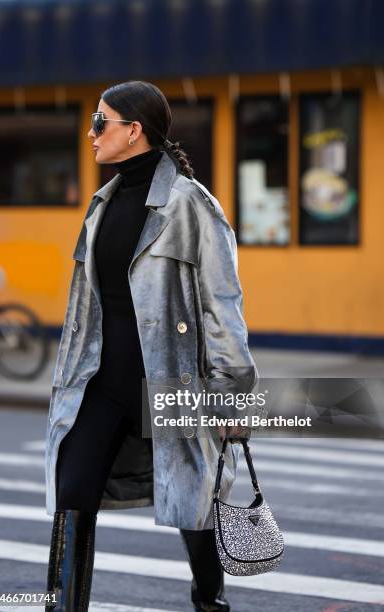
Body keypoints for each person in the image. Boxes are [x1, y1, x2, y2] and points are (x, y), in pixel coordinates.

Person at [44, 80, 258, 611]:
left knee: (194, 510)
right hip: (101, 384)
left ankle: (210, 600)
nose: (91, 132)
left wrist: (234, 392)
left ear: (133, 131)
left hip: (172, 382)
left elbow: (223, 303)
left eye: (101, 121)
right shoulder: (102, 205)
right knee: (71, 497)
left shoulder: (191, 205)